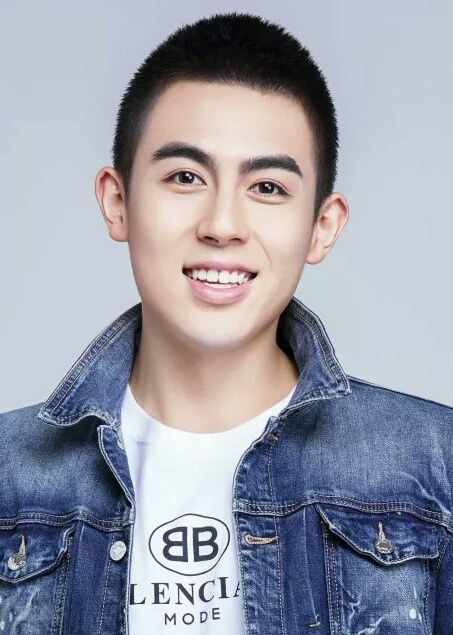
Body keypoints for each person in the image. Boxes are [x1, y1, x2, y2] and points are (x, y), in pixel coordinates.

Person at [1, 10, 452, 635]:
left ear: (321, 227)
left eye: (267, 187)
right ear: (118, 201)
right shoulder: (10, 479)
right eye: (185, 177)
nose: (222, 225)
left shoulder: (435, 467)